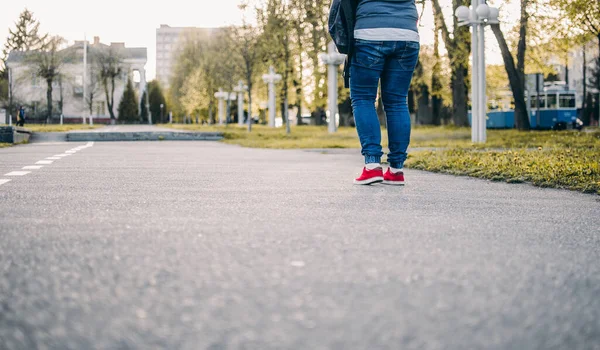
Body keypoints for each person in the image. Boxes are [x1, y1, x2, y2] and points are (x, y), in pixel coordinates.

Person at [350, 0, 420, 186]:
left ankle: (372, 165)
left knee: (363, 98)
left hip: (369, 32)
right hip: (407, 33)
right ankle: (396, 170)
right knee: (397, 101)